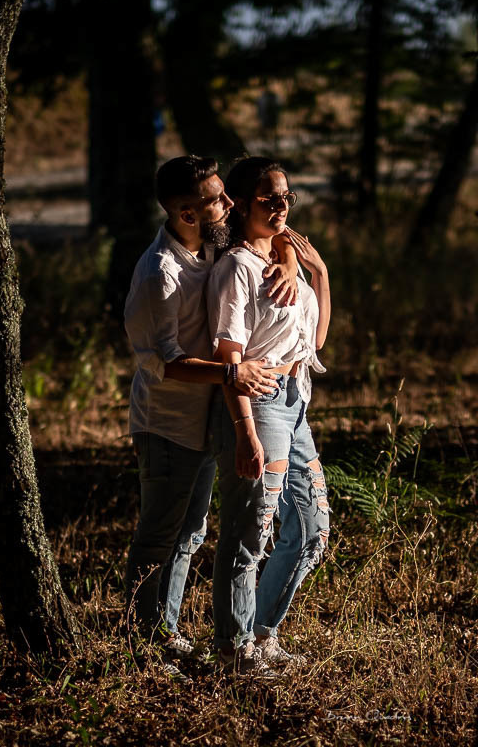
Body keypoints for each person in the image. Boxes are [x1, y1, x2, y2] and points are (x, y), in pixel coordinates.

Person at [123, 155, 300, 674]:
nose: (228, 204)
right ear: (185, 213)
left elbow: (277, 234)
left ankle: (167, 632)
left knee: (191, 533)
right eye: (217, 200)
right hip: (166, 423)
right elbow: (162, 362)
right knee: (160, 534)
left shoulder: (213, 240)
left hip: (207, 418)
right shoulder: (159, 273)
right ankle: (142, 645)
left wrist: (290, 262)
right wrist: (231, 373)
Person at [208, 157, 331, 673]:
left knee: (312, 528)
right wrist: (244, 431)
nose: (281, 206)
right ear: (240, 204)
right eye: (268, 198)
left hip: (295, 400)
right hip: (259, 405)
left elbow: (315, 341)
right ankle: (234, 648)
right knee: (249, 533)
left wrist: (317, 271)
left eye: (286, 197)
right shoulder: (236, 268)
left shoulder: (286, 252)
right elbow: (229, 360)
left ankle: (263, 633)